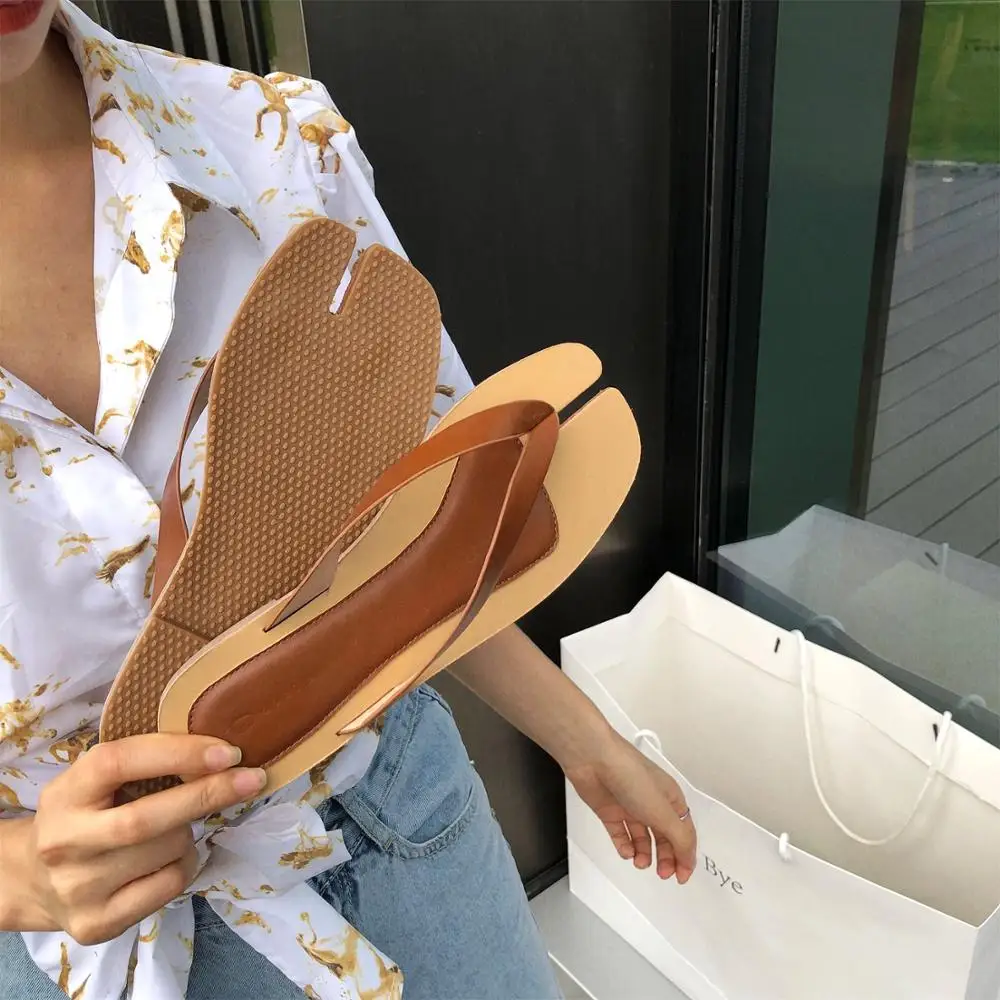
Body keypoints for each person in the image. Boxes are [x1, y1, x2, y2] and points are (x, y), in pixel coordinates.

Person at [0, 2, 697, 997]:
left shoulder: (266, 145)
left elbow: (411, 538)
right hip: (78, 946)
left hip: (387, 823)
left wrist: (585, 742)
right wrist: (18, 874)